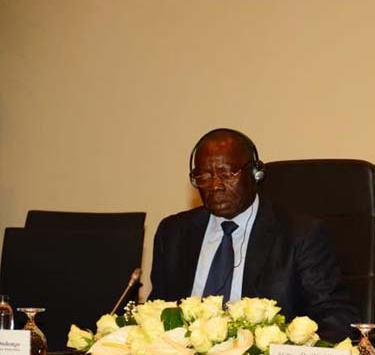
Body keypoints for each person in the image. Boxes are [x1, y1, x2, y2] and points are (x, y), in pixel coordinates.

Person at [149, 128, 358, 341]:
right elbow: (156, 314)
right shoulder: (174, 233)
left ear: (256, 173)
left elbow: (336, 317)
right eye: (203, 176)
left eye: (227, 174)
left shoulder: (299, 235)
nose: (215, 186)